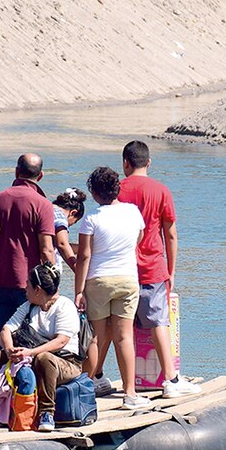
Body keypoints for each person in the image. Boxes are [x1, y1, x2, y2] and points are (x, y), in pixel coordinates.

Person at [117, 141, 201, 398]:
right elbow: (170, 234)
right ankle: (171, 379)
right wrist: (171, 271)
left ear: (125, 164)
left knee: (119, 328)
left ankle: (120, 383)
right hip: (153, 266)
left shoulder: (116, 190)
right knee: (158, 323)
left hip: (122, 267)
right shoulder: (161, 190)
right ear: (149, 163)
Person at [74, 166, 150, 410]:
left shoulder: (92, 219)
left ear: (95, 194)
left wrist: (79, 290)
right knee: (124, 337)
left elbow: (84, 256)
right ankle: (130, 394)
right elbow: (138, 239)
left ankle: (86, 386)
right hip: (128, 279)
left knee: (97, 337)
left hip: (98, 281)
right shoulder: (133, 212)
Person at [0, 153, 56, 393]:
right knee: (30, 340)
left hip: (1, 281)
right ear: (40, 176)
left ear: (16, 172)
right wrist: (52, 287)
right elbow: (46, 250)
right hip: (31, 287)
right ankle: (23, 394)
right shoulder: (42, 204)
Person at [0, 263, 82, 432]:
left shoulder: (65, 306)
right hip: (30, 357)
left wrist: (30, 352)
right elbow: (5, 329)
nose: (25, 288)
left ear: (38, 289)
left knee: (44, 358)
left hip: (66, 362)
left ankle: (46, 412)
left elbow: (61, 341)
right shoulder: (29, 306)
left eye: (28, 284)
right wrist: (10, 350)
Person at [53, 188, 87, 275]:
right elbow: (62, 244)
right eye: (74, 222)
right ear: (72, 213)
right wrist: (78, 270)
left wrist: (86, 248)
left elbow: (59, 244)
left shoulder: (48, 209)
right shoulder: (60, 217)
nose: (70, 225)